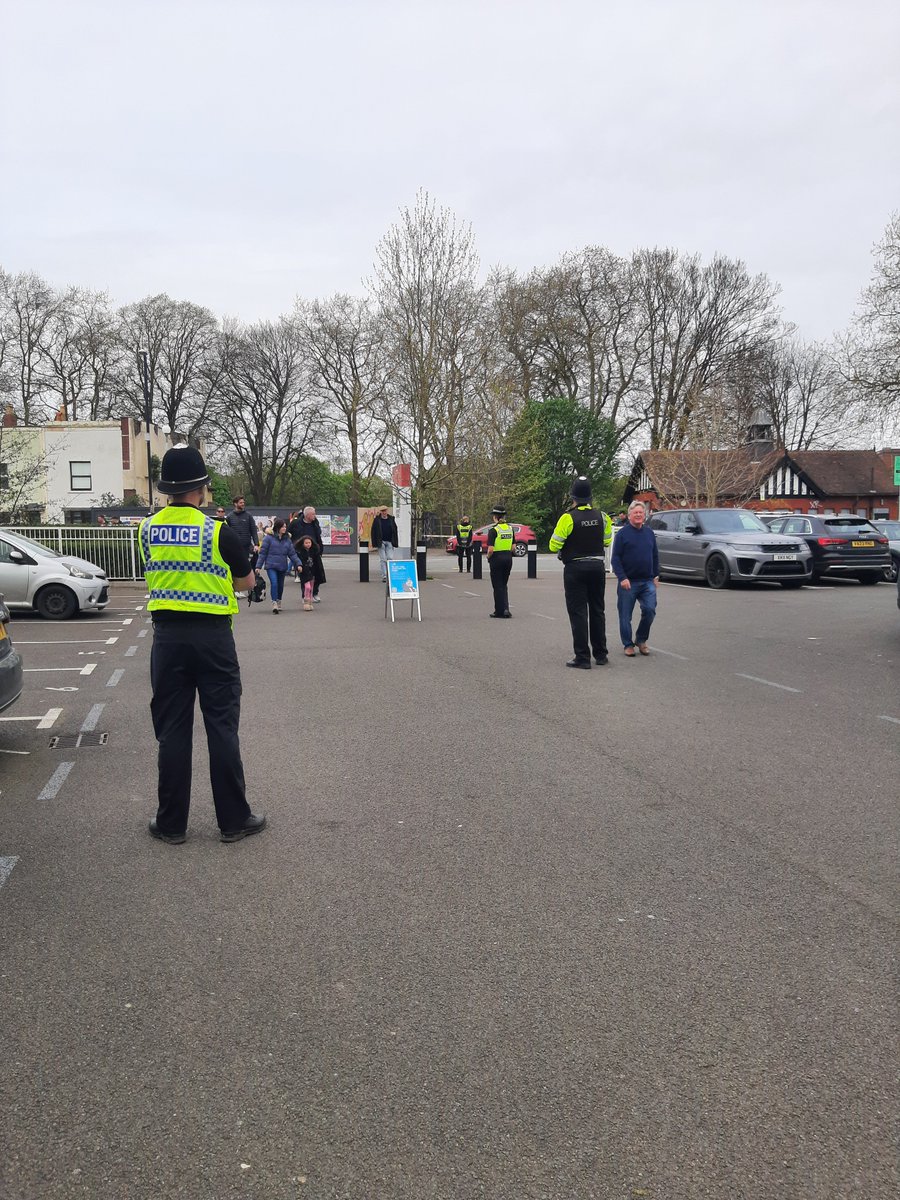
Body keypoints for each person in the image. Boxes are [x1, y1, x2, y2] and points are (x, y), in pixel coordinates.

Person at [138, 446, 265, 845]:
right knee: (221, 729)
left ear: (165, 490)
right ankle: (234, 820)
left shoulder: (146, 529)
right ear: (202, 488)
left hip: (167, 639)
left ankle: (172, 824)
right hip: (213, 641)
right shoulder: (217, 531)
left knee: (172, 732)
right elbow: (245, 583)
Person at [549, 476, 613, 669]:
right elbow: (607, 541)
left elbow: (554, 545)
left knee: (578, 613)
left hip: (575, 569)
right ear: (590, 496)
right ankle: (601, 654)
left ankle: (582, 657)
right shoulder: (603, 517)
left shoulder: (568, 517)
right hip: (596, 567)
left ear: (573, 497)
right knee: (597, 610)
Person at [611, 500, 659, 657]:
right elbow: (615, 559)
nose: (638, 515)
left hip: (647, 581)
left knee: (650, 610)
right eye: (635, 512)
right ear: (630, 515)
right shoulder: (623, 534)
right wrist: (622, 577)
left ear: (644, 515)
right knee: (625, 615)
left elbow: (654, 555)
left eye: (641, 512)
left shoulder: (649, 533)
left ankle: (641, 639)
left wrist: (656, 574)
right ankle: (628, 644)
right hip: (628, 582)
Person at [256, 518, 303, 614]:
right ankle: (274, 603)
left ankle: (279, 600)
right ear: (277, 527)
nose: (284, 528)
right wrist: (258, 566)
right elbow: (263, 553)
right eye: (282, 527)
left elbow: (292, 554)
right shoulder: (268, 538)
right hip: (271, 565)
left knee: (280, 585)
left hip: (282, 566)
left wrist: (298, 564)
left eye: (285, 526)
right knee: (274, 583)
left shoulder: (287, 539)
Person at [290, 506, 325, 601]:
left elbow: (318, 536)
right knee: (305, 575)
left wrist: (320, 549)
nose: (315, 515)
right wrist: (293, 547)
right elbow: (289, 534)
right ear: (307, 515)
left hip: (314, 552)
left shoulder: (315, 523)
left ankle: (315, 593)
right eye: (313, 514)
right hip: (302, 553)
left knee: (317, 573)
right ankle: (305, 595)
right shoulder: (296, 523)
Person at [486, 505, 514, 618]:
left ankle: (499, 611)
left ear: (495, 517)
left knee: (497, 586)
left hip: (496, 559)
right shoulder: (510, 529)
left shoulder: (493, 530)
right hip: (508, 558)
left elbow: (490, 549)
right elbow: (513, 547)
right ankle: (506, 609)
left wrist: (488, 557)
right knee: (504, 584)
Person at [225, 495, 259, 570]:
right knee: (235, 566)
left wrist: (256, 544)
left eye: (243, 502)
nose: (243, 504)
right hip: (234, 546)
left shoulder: (248, 516)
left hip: (246, 546)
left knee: (246, 566)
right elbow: (227, 532)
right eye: (241, 503)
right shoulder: (230, 517)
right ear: (235, 504)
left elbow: (253, 530)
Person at [295, 534, 325, 611]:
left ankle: (310, 602)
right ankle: (306, 601)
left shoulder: (314, 551)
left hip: (312, 572)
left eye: (309, 543)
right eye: (306, 543)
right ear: (303, 543)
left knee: (311, 587)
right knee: (307, 587)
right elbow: (297, 561)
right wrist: (299, 567)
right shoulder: (300, 552)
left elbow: (318, 562)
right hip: (304, 572)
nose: (308, 544)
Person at [370, 504, 398, 583]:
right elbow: (373, 531)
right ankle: (384, 576)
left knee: (390, 558)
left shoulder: (391, 519)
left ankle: (390, 574)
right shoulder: (377, 520)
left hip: (389, 541)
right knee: (383, 559)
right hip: (381, 542)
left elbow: (395, 530)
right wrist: (375, 542)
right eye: (382, 511)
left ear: (387, 511)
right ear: (380, 512)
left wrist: (395, 542)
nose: (384, 512)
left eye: (385, 510)